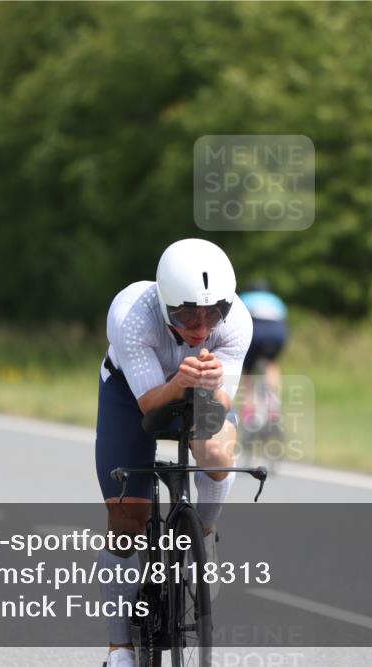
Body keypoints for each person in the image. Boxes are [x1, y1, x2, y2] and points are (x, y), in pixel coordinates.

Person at [95, 238, 251, 667]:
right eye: (186, 314)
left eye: (212, 313)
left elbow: (222, 407)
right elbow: (151, 409)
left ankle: (203, 532)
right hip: (133, 396)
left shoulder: (237, 322)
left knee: (217, 454)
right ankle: (119, 648)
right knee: (127, 519)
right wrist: (179, 381)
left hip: (198, 391)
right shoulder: (131, 316)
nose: (201, 325)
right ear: (165, 305)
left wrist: (213, 384)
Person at [238, 280, 289, 423]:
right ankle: (273, 408)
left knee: (248, 372)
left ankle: (249, 413)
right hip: (278, 331)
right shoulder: (275, 300)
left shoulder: (244, 298)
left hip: (256, 330)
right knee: (271, 364)